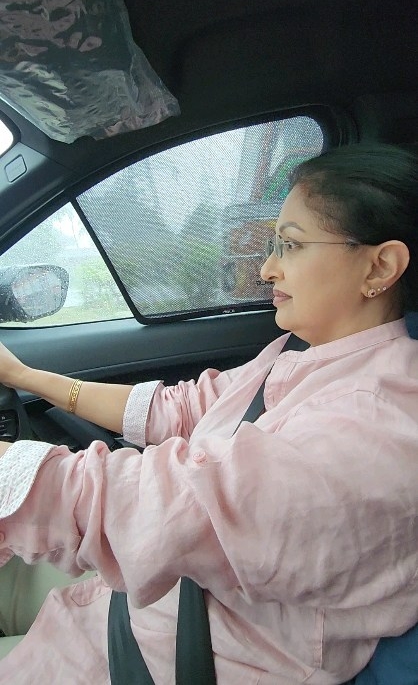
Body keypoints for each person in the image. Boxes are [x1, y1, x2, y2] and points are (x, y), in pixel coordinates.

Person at [0, 142, 417, 684]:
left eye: (289, 246)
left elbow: (181, 503)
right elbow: (182, 409)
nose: (268, 268)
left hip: (156, 659)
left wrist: (14, 473)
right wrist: (24, 377)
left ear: (380, 265)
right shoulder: (299, 354)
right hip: (137, 608)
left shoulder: (377, 425)